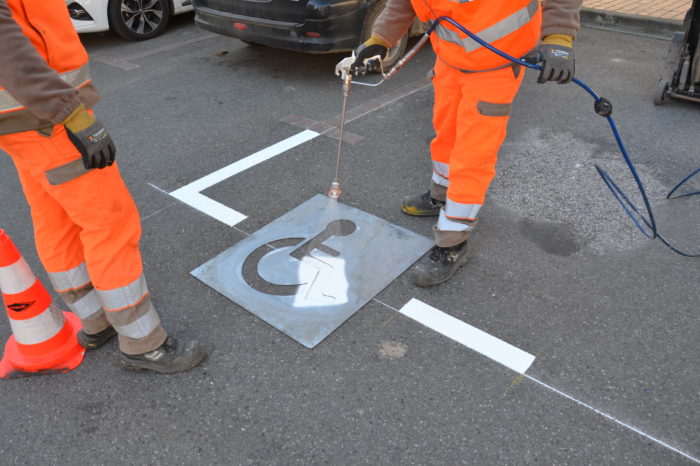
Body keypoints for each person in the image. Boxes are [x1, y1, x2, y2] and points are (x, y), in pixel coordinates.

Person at [0, 0, 206, 373]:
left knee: (56, 220)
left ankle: (95, 320)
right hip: (48, 119)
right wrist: (73, 114)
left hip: (20, 122)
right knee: (109, 223)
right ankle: (143, 344)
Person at [340, 0, 582, 286]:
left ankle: (453, 242)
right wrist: (381, 39)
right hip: (451, 60)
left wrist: (558, 37)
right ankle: (440, 195)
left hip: (497, 64)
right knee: (446, 134)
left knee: (473, 154)